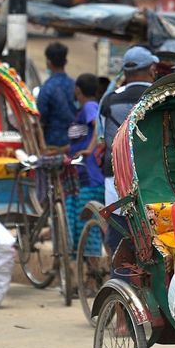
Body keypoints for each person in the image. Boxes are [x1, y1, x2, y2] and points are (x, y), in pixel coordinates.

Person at [98, 47, 157, 250]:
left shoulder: (109, 99)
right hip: (157, 182)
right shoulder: (160, 97)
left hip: (117, 181)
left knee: (121, 237)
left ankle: (118, 277)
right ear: (151, 69)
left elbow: (101, 140)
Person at [66, 73, 104, 257]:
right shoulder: (82, 111)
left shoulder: (89, 106)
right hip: (82, 176)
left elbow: (98, 126)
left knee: (88, 228)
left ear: (78, 90)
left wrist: (90, 149)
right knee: (84, 227)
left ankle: (91, 273)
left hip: (91, 176)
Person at [37, 42, 75, 149]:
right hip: (76, 142)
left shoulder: (47, 88)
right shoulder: (75, 85)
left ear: (48, 62)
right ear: (65, 62)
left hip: (53, 143)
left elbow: (41, 117)